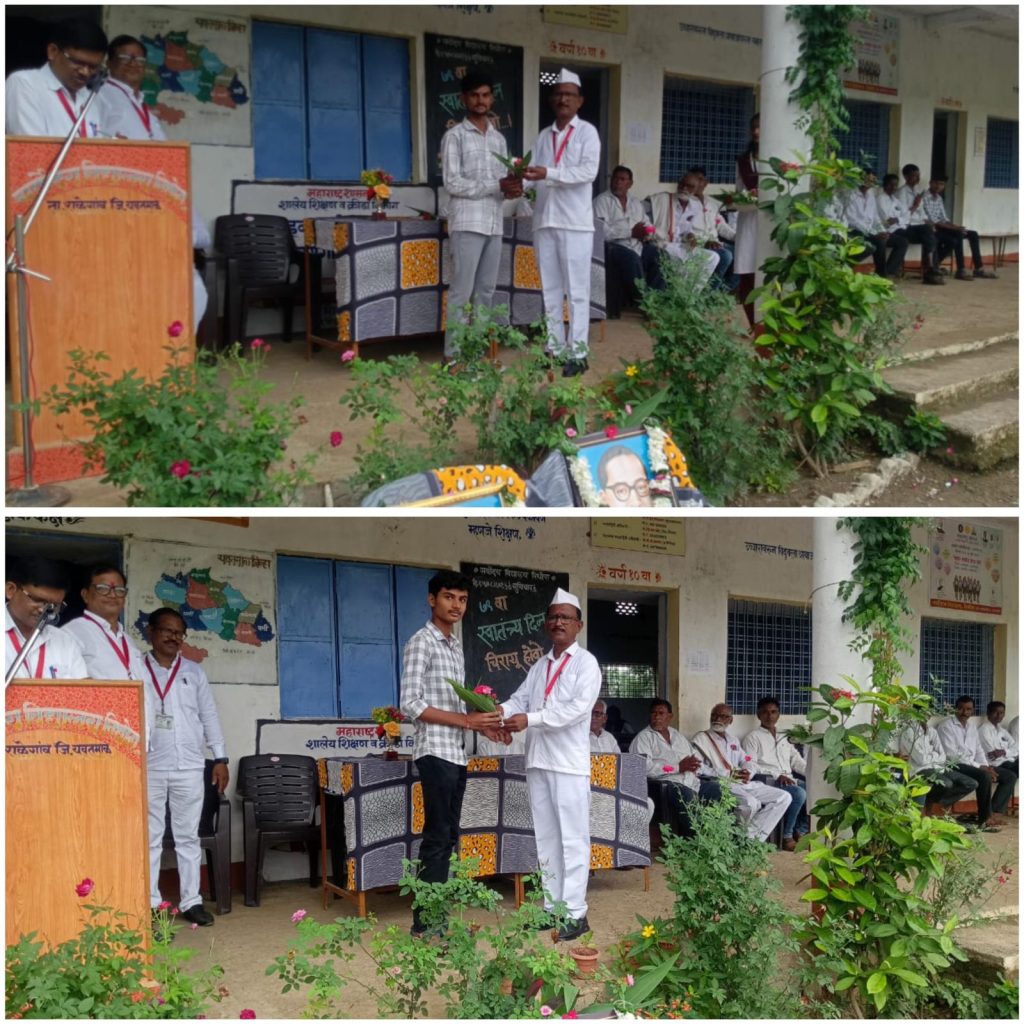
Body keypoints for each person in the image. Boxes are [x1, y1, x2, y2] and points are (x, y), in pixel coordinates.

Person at [399, 570, 502, 937]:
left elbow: (456, 707)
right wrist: (466, 720)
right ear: (432, 600)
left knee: (447, 837)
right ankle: (426, 924)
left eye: (462, 599)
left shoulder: (454, 645)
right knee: (437, 837)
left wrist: (482, 724)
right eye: (448, 597)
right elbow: (410, 703)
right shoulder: (421, 642)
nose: (456, 605)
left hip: (456, 753)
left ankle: (436, 918)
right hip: (435, 752)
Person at [497, 588, 602, 941]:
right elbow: (519, 699)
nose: (558, 622)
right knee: (546, 839)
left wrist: (530, 719)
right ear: (546, 623)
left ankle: (575, 913)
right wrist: (499, 712)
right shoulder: (540, 665)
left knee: (573, 839)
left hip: (569, 764)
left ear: (578, 625)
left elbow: (577, 711)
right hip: (538, 761)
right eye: (553, 616)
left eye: (565, 617)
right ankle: (552, 907)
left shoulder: (586, 663)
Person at [143, 607, 229, 926]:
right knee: (150, 837)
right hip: (149, 765)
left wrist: (220, 758)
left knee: (188, 837)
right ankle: (151, 903)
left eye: (179, 632)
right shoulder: (135, 668)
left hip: (190, 766)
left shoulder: (194, 672)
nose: (174, 637)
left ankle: (191, 901)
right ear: (151, 632)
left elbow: (209, 716)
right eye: (167, 630)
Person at [523, 69, 601, 378]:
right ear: (551, 99)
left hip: (575, 224)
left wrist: (549, 173)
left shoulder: (587, 133)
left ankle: (578, 352)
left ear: (580, 101)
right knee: (550, 289)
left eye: (569, 94)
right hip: (545, 221)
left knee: (577, 290)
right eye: (558, 94)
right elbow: (533, 173)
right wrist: (517, 182)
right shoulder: (544, 136)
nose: (563, 99)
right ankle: (554, 347)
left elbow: (588, 172)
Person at [440, 71, 521, 362]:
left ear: (492, 99)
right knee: (462, 292)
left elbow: (500, 185)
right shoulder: (454, 136)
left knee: (486, 291)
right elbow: (452, 183)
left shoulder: (499, 140)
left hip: (494, 223)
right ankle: (453, 357)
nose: (480, 100)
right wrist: (496, 185)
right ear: (464, 99)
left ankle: (475, 354)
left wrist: (511, 189)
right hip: (467, 223)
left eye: (485, 95)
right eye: (474, 95)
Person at [692, 703, 791, 843]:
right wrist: (728, 774)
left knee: (783, 797)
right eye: (715, 715)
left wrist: (747, 772)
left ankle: (750, 839)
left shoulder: (733, 740)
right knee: (750, 803)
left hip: (741, 782)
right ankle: (746, 841)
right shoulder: (701, 739)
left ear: (731, 720)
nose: (718, 719)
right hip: (719, 783)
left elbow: (748, 760)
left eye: (723, 716)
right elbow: (698, 768)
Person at [630, 698, 722, 838]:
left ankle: (717, 836)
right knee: (686, 796)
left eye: (661, 713)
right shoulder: (643, 738)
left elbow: (694, 757)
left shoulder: (677, 735)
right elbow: (643, 768)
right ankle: (696, 840)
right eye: (654, 713)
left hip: (691, 781)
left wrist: (695, 766)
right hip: (666, 784)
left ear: (670, 716)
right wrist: (677, 767)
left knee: (717, 789)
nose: (657, 716)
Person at [6, 17, 108, 138]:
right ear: (53, 51)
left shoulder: (90, 97)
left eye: (93, 66)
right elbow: (32, 146)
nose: (85, 72)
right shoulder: (25, 84)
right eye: (77, 62)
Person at [592, 165, 664, 318]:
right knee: (631, 259)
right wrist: (630, 232)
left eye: (622, 179)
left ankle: (655, 299)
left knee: (661, 256)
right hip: (613, 248)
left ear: (630, 184)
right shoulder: (601, 201)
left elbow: (647, 224)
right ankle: (646, 304)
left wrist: (647, 233)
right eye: (615, 178)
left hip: (637, 245)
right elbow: (601, 232)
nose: (618, 182)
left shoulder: (635, 202)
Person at [741, 697, 810, 850]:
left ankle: (801, 831)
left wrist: (812, 774)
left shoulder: (784, 736)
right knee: (799, 793)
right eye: (765, 712)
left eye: (773, 712)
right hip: (769, 781)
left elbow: (796, 760)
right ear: (758, 715)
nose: (769, 716)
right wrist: (776, 775)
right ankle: (787, 836)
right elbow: (751, 765)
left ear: (779, 714)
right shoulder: (752, 738)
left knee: (812, 790)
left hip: (789, 779)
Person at [5, 555, 88, 680]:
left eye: (54, 605)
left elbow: (83, 690)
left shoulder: (65, 642)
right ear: (10, 590)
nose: (44, 610)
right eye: (38, 600)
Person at [61, 564, 146, 679]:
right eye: (103, 588)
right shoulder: (72, 633)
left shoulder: (127, 640)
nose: (112, 595)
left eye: (119, 590)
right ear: (85, 595)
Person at [935, 695, 1003, 829]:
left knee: (988, 774)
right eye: (961, 708)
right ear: (955, 709)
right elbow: (952, 756)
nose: (964, 712)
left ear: (973, 710)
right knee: (984, 776)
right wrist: (980, 767)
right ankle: (985, 818)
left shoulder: (971, 727)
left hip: (969, 764)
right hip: (952, 764)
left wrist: (986, 766)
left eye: (968, 709)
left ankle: (987, 816)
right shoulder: (946, 726)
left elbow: (978, 749)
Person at [647, 172, 720, 288]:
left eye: (690, 186)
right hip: (661, 244)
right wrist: (650, 231)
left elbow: (685, 231)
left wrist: (690, 237)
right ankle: (680, 291)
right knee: (684, 261)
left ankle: (692, 293)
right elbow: (644, 218)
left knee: (713, 257)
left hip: (679, 245)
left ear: (696, 189)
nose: (684, 188)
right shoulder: (662, 199)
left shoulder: (695, 206)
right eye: (682, 184)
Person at [895, 718, 978, 815]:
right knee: (947, 783)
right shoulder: (909, 732)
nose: (927, 715)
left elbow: (943, 757)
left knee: (971, 783)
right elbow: (921, 760)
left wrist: (930, 756)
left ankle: (933, 802)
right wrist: (935, 754)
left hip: (937, 767)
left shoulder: (932, 731)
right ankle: (930, 808)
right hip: (919, 770)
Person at [921, 176, 997, 280]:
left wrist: (956, 226)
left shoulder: (939, 198)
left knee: (973, 234)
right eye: (936, 183)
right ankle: (961, 269)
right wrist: (955, 229)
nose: (938, 186)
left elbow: (944, 218)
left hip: (943, 227)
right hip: (932, 229)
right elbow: (934, 221)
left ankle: (979, 268)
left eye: (942, 184)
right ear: (930, 183)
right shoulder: (924, 197)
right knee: (958, 234)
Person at [96, 35, 165, 140]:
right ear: (109, 63)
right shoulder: (100, 94)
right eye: (125, 58)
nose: (133, 63)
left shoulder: (141, 103)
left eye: (140, 59)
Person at [876, 172, 941, 282]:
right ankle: (889, 272)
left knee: (928, 231)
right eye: (890, 184)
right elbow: (887, 220)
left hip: (903, 227)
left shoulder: (895, 200)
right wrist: (900, 218)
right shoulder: (881, 199)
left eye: (895, 185)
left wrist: (898, 219)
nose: (893, 187)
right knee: (906, 241)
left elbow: (906, 215)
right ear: (885, 185)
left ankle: (931, 268)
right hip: (892, 230)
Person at [843, 169, 908, 279]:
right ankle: (881, 275)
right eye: (868, 179)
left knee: (902, 241)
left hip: (872, 231)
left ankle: (889, 272)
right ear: (860, 179)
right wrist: (874, 233)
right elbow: (852, 220)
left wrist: (881, 230)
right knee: (880, 241)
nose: (870, 183)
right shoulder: (851, 195)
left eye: (873, 180)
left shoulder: (870, 195)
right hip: (855, 231)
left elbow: (875, 217)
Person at [896, 164, 948, 285]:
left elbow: (922, 214)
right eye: (914, 176)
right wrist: (915, 205)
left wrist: (929, 222)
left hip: (919, 227)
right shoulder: (901, 193)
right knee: (928, 233)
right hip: (906, 227)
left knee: (931, 235)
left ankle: (931, 270)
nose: (917, 178)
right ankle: (931, 270)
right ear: (906, 176)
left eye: (918, 175)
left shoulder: (918, 191)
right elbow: (903, 217)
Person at [687, 165, 736, 288]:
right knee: (726, 255)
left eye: (700, 179)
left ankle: (723, 291)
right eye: (694, 180)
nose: (697, 183)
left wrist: (739, 238)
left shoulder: (711, 203)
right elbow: (683, 230)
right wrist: (703, 242)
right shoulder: (685, 202)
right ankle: (709, 293)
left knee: (742, 253)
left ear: (706, 182)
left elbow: (721, 226)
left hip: (717, 243)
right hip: (698, 244)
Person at [734, 113, 760, 324]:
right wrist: (746, 197)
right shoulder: (743, 160)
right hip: (749, 220)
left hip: (770, 221)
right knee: (747, 274)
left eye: (760, 127)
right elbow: (738, 191)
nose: (755, 132)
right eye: (753, 127)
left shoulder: (780, 158)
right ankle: (754, 324)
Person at [977, 701, 1019, 817]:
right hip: (994, 765)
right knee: (1010, 777)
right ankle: (994, 812)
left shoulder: (1001, 730)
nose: (999, 716)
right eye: (996, 712)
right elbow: (992, 755)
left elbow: (1016, 748)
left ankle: (996, 810)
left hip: (1008, 762)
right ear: (988, 713)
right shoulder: (984, 730)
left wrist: (1004, 752)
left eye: (1002, 713)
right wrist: (1008, 752)